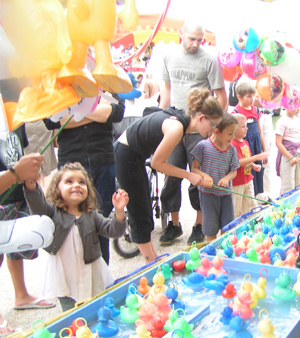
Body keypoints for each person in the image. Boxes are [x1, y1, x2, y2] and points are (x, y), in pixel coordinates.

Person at [115, 88, 223, 264]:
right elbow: (157, 164)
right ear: (202, 117)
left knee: (145, 209)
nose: (212, 131)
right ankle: (150, 262)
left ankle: (153, 259)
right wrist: (188, 175)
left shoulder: (183, 121)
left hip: (134, 155)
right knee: (138, 212)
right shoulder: (177, 128)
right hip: (126, 155)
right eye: (212, 125)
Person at [23, 162, 127, 311]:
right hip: (64, 276)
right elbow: (37, 204)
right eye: (69, 181)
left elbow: (113, 231)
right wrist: (31, 184)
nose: (77, 185)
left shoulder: (92, 215)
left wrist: (119, 211)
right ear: (57, 188)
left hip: (91, 272)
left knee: (96, 308)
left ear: (88, 190)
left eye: (82, 182)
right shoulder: (53, 212)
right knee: (71, 313)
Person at [159, 19, 227, 246]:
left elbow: (221, 96)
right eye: (192, 39)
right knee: (171, 175)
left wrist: (215, 127)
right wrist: (161, 119)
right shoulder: (168, 56)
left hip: (199, 127)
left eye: (200, 40)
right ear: (181, 34)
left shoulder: (209, 60)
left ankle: (199, 225)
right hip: (174, 124)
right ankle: (174, 224)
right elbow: (166, 90)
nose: (196, 44)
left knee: (198, 176)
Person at [44, 93, 125, 265]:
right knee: (69, 218)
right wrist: (98, 111)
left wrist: (74, 111)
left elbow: (117, 112)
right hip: (71, 161)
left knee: (101, 218)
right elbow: (51, 120)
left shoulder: (106, 79)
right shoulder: (60, 83)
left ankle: (101, 272)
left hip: (102, 158)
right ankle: (75, 275)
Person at [0, 152, 44, 337]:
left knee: (10, 248)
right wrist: (15, 174)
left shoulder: (11, 126)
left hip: (15, 192)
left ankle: (22, 295)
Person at [191, 113, 240, 241]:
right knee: (210, 227)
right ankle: (212, 252)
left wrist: (227, 178)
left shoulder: (232, 150)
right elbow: (194, 169)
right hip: (208, 195)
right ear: (217, 131)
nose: (233, 137)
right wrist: (204, 176)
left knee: (228, 227)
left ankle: (224, 252)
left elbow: (234, 171)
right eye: (230, 133)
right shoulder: (202, 146)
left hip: (226, 195)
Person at [232, 82, 267, 197]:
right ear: (239, 97)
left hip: (256, 145)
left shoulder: (256, 111)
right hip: (244, 146)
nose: (252, 99)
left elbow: (260, 132)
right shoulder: (235, 113)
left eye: (253, 96)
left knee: (258, 171)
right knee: (247, 172)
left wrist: (264, 150)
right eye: (248, 96)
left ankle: (258, 197)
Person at [230, 114, 268, 218]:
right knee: (236, 208)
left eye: (246, 126)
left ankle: (252, 222)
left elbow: (246, 159)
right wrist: (257, 157)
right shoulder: (233, 144)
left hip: (248, 179)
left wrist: (253, 165)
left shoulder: (245, 142)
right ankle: (234, 229)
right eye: (243, 126)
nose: (246, 128)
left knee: (251, 204)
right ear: (233, 128)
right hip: (237, 182)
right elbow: (238, 162)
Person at [275, 107, 300, 194]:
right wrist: (290, 157)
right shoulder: (282, 121)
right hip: (288, 154)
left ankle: (296, 204)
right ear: (286, 105)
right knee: (288, 185)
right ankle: (286, 205)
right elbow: (278, 142)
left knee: (299, 183)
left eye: (299, 105)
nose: (298, 109)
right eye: (295, 106)